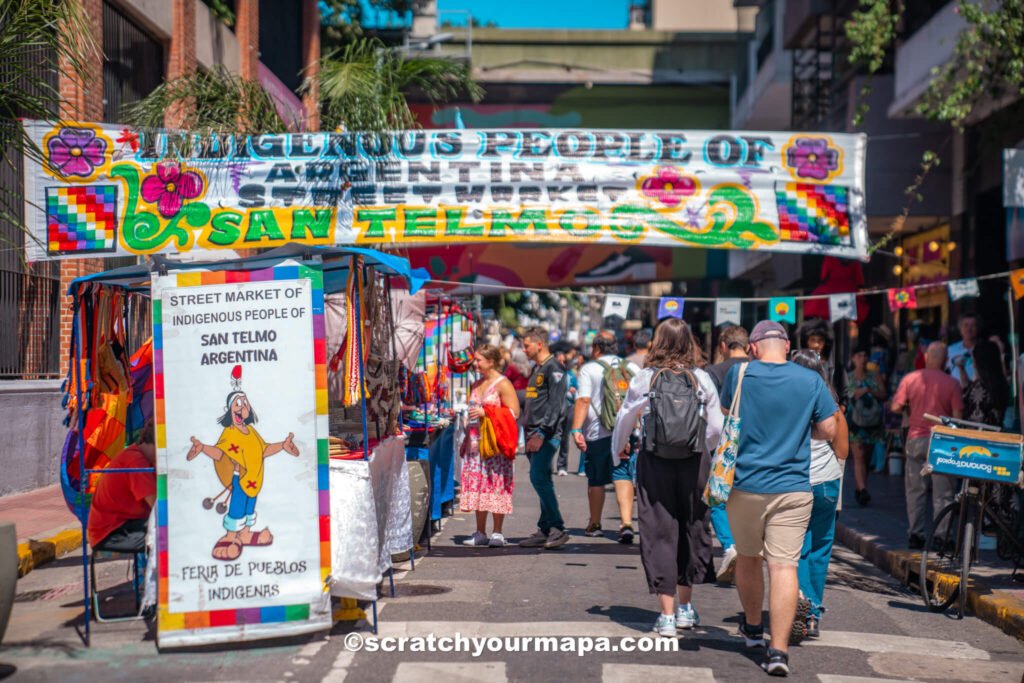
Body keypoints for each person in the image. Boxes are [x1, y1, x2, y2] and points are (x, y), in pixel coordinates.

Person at [720, 320, 839, 677]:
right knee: (784, 566)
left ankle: (754, 629)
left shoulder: (739, 376)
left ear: (753, 348)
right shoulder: (811, 380)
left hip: (745, 485)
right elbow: (828, 429)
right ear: (787, 346)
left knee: (748, 557)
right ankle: (779, 651)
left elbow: (729, 418)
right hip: (793, 487)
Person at [611, 318, 723, 637]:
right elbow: (715, 427)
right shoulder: (701, 378)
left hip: (655, 461)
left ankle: (667, 614)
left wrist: (618, 451)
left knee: (659, 532)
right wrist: (702, 448)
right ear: (690, 342)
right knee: (693, 527)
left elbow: (624, 419)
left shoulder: (645, 378)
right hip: (695, 461)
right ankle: (686, 608)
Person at [791, 350, 849, 639]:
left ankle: (804, 604)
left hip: (796, 481)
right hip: (827, 482)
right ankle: (813, 615)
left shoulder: (788, 402)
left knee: (797, 549)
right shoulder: (833, 407)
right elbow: (843, 451)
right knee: (820, 550)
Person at [890, 342, 964, 550]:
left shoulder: (910, 379)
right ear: (945, 358)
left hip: (915, 438)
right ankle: (942, 536)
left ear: (927, 356)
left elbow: (895, 407)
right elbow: (958, 417)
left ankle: (915, 533)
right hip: (942, 442)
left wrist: (910, 408)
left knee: (915, 490)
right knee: (943, 492)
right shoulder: (952, 383)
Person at [571, 330, 639, 543]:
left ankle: (595, 523)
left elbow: (583, 400)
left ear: (596, 348)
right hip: (627, 432)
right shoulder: (632, 368)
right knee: (623, 474)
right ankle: (626, 523)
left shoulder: (589, 369)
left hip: (598, 433)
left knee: (597, 478)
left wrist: (576, 429)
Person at [461, 345, 521, 548]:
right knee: (479, 487)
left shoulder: (503, 384)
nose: (475, 364)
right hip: (475, 444)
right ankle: (480, 532)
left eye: (479, 360)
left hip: (494, 446)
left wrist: (487, 413)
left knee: (496, 486)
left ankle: (497, 532)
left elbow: (514, 413)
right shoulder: (476, 383)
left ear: (491, 361)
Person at [518, 327, 570, 550]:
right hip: (533, 432)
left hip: (545, 435)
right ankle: (545, 528)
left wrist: (541, 433)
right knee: (543, 480)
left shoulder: (554, 368)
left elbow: (557, 405)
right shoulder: (537, 368)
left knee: (538, 477)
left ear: (539, 344)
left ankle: (557, 527)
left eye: (527, 345)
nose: (524, 349)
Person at [705, 325, 751, 582]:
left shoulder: (714, 371)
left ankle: (730, 545)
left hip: (726, 443)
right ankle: (748, 547)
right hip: (756, 442)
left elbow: (714, 413)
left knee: (718, 498)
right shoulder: (758, 368)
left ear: (723, 345)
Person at [87, 421, 156, 552]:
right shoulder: (136, 461)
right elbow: (156, 504)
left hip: (122, 524)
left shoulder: (139, 456)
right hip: (111, 533)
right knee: (167, 537)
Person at [846, 347, 886, 506]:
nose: (862, 358)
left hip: (872, 422)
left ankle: (859, 487)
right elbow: (846, 395)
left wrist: (869, 390)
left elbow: (884, 394)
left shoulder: (874, 377)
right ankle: (863, 490)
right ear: (853, 358)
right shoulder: (848, 377)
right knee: (859, 455)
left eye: (864, 355)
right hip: (854, 422)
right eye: (859, 355)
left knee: (867, 456)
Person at [959, 338, 1008, 428]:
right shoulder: (1001, 384)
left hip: (976, 438)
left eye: (974, 360)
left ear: (980, 362)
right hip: (996, 436)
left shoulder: (979, 388)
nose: (973, 365)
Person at [551, 342, 581, 477]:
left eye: (564, 361)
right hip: (553, 408)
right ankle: (547, 465)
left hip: (568, 407)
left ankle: (562, 466)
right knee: (551, 437)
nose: (562, 363)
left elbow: (577, 389)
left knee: (564, 438)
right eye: (559, 361)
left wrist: (574, 390)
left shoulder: (570, 374)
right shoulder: (550, 373)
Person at [947, 313, 979, 382]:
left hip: (978, 391)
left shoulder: (984, 350)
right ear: (960, 328)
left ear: (978, 328)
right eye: (965, 325)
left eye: (973, 325)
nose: (969, 329)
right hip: (956, 391)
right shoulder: (950, 350)